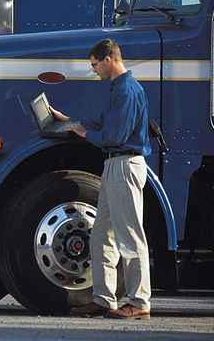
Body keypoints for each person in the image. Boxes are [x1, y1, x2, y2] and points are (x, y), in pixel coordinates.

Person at [51, 39, 152, 320]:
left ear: (109, 59)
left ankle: (139, 301)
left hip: (124, 165)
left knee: (130, 237)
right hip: (115, 166)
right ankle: (104, 299)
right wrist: (71, 121)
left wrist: (85, 135)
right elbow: (104, 124)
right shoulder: (119, 89)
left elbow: (114, 137)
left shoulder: (127, 90)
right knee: (101, 236)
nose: (94, 71)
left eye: (95, 65)